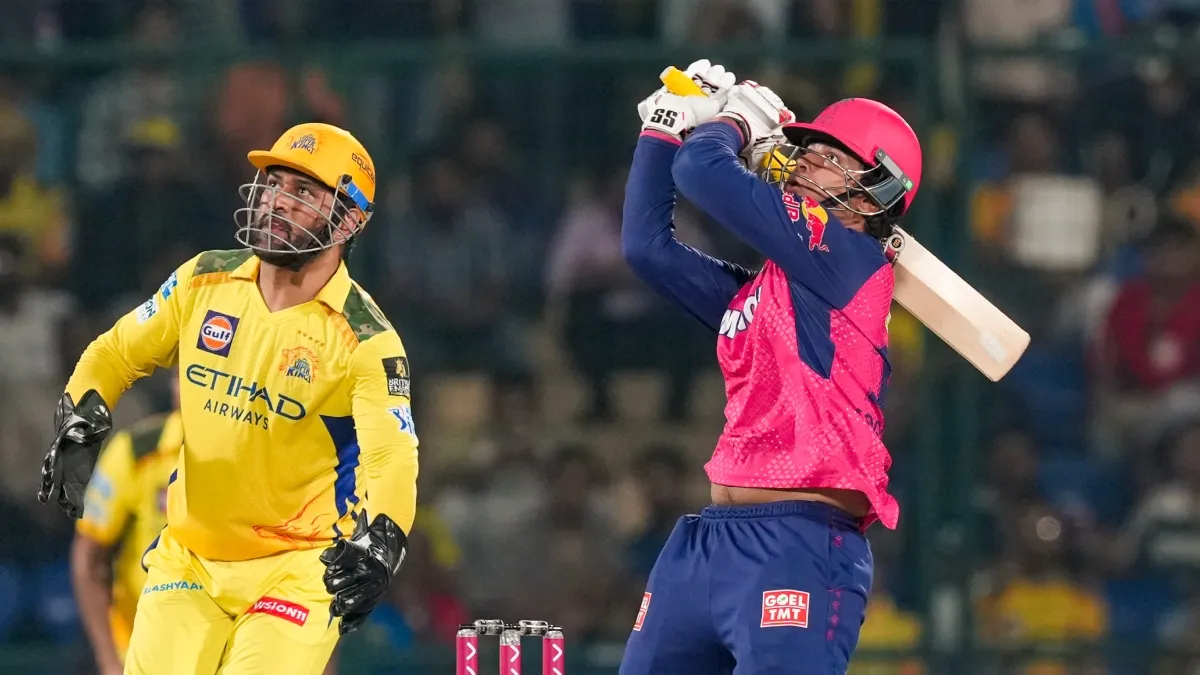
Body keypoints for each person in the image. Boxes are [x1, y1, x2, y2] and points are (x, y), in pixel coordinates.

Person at [38, 122, 417, 675]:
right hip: (188, 557)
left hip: (298, 566)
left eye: (303, 192)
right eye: (274, 183)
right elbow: (114, 352)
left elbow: (392, 455)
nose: (277, 201)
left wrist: (383, 539)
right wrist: (80, 415)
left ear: (350, 219)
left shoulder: (366, 339)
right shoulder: (203, 280)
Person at [619, 60, 923, 674]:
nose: (805, 161)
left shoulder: (849, 257)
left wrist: (735, 120)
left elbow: (702, 172)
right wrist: (661, 132)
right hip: (709, 542)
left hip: (801, 542)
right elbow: (645, 248)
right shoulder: (765, 290)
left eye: (830, 157)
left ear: (875, 192)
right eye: (807, 149)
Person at [71, 375, 183, 675]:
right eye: (181, 375)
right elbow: (89, 556)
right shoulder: (136, 451)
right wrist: (109, 661)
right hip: (140, 651)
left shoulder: (254, 456)